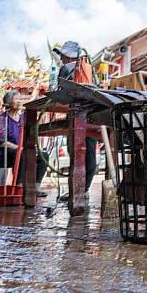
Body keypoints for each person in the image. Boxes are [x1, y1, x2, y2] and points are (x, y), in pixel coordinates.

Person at [53, 40, 97, 191]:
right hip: (91, 116)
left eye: (62, 55)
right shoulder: (90, 69)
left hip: (74, 115)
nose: (61, 58)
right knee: (90, 156)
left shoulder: (65, 68)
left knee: (76, 156)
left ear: (68, 56)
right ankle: (84, 191)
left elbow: (60, 91)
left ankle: (76, 192)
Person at [0, 90, 23, 196]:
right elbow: (2, 142)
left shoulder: (23, 118)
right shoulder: (3, 119)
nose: (19, 102)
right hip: (3, 153)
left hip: (19, 150)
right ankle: (18, 186)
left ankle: (35, 186)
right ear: (8, 102)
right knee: (21, 154)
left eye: (20, 99)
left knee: (42, 156)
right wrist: (19, 148)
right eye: (16, 99)